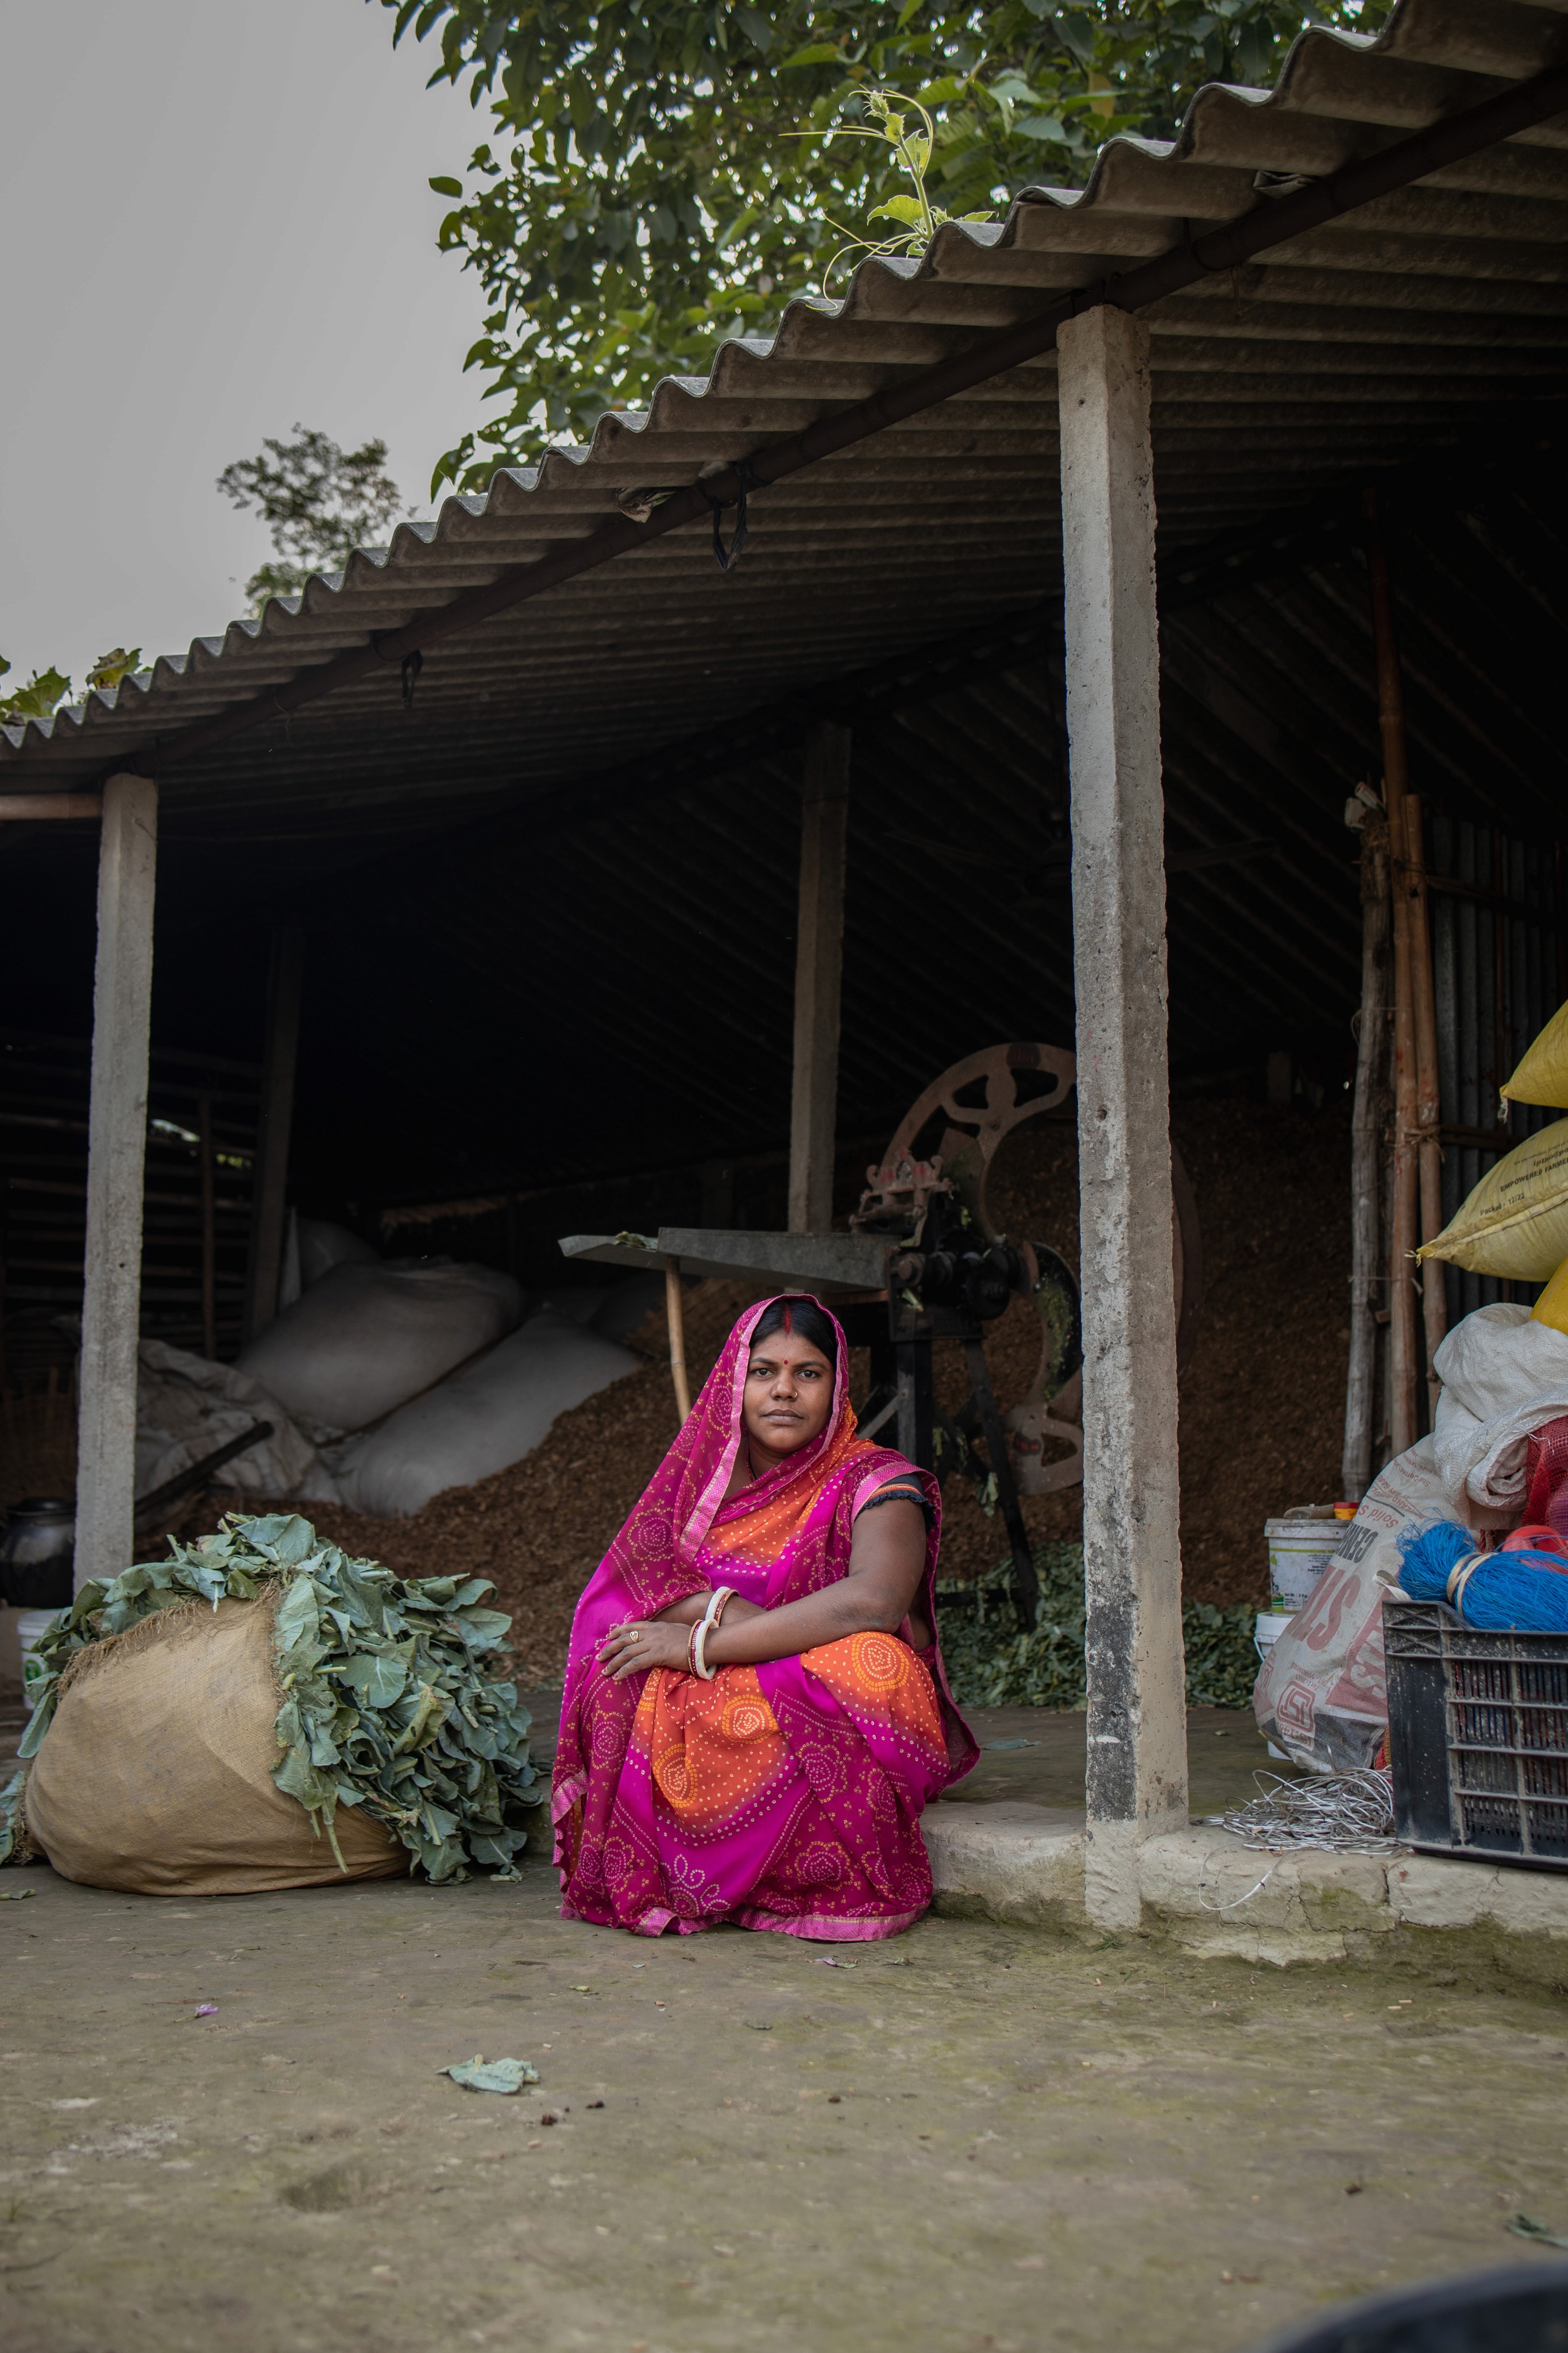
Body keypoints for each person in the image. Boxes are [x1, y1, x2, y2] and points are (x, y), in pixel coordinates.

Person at [552, 1291, 978, 1939]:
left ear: (836, 1387)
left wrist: (706, 1635)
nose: (785, 1391)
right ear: (734, 1382)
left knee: (873, 1661)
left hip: (823, 1681)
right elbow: (634, 1595)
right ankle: (685, 1876)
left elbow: (874, 1602)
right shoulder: (701, 1487)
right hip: (732, 1681)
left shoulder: (879, 1479)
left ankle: (809, 1879)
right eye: (764, 1372)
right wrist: (709, 1627)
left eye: (808, 1373)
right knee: (618, 1673)